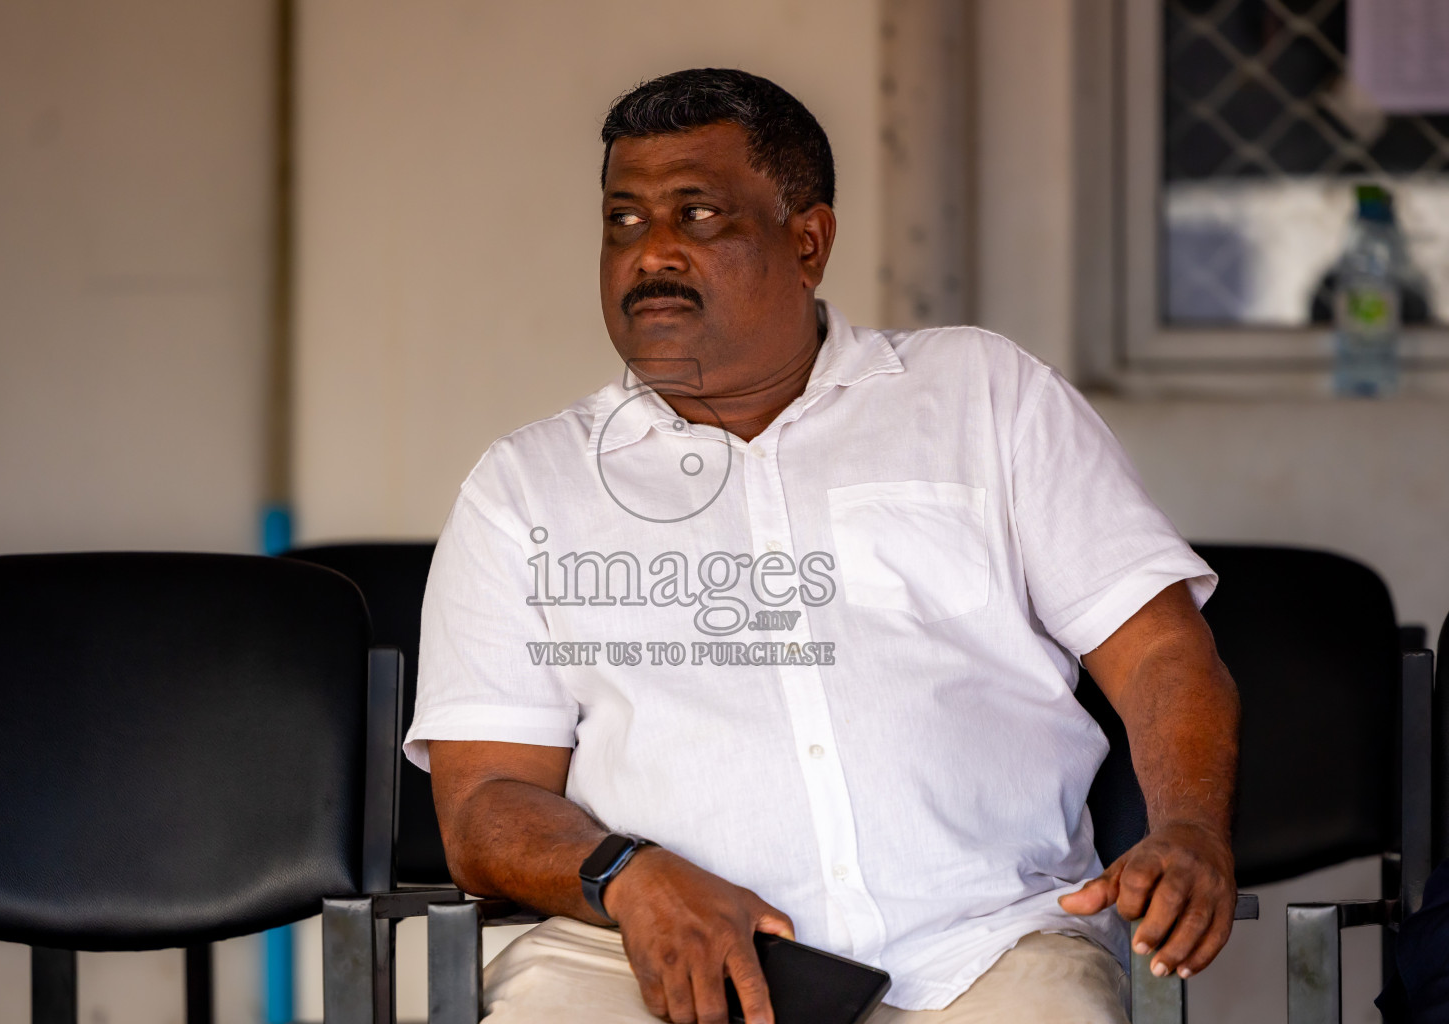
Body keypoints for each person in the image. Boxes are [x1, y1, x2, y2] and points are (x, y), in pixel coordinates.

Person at [406, 69, 1239, 1023]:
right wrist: (630, 878)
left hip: (985, 947)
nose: (652, 254)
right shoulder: (526, 487)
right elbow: (484, 806)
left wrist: (1190, 829)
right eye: (624, 221)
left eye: (698, 215)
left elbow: (1165, 654)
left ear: (809, 241)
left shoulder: (985, 397)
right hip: (638, 955)